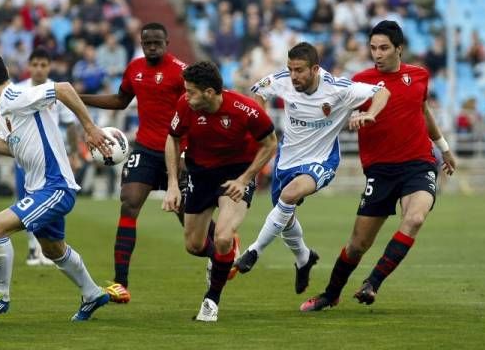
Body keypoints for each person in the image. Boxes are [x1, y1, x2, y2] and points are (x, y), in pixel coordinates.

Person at [0, 50, 118, 321]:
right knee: (52, 249)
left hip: (55, 187)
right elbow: (8, 146)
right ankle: (92, 294)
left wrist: (91, 128)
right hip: (39, 189)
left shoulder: (15, 97)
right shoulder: (6, 107)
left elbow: (64, 88)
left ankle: (0, 294)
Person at [300, 20, 456, 312]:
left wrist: (443, 148)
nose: (377, 54)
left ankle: (372, 283)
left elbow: (423, 111)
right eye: (373, 48)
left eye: (384, 48)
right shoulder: (360, 81)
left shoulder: (419, 75)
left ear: (399, 49)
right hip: (380, 171)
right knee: (358, 244)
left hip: (418, 164)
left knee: (415, 218)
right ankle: (331, 294)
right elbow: (334, 115)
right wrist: (353, 119)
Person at [80, 22, 224, 302]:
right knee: (129, 202)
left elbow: (198, 108)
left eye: (157, 42)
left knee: (189, 219)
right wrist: (78, 99)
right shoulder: (134, 69)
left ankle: (223, 252)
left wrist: (192, 148)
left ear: (167, 42)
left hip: (178, 151)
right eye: (147, 43)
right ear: (141, 43)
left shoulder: (181, 72)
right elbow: (121, 100)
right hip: (145, 149)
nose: (152, 47)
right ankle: (120, 283)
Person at [233, 42, 391, 296]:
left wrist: (370, 113)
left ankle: (254, 251)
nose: (293, 76)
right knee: (284, 217)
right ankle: (304, 258)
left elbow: (382, 92)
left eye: (299, 70)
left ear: (315, 69)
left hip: (321, 160)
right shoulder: (283, 80)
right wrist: (262, 125)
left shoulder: (339, 89)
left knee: (289, 196)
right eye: (290, 69)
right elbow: (259, 91)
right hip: (286, 159)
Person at [162, 61, 278, 322]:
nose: (186, 96)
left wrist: (245, 178)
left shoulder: (244, 109)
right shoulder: (185, 105)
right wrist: (172, 184)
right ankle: (224, 254)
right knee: (193, 245)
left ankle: (211, 301)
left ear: (210, 93)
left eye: (191, 91)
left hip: (235, 175)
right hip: (200, 174)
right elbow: (173, 137)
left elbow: (270, 144)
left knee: (223, 237)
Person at [15, 47, 81, 266]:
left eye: (43, 65)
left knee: (53, 203)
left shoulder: (57, 91)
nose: (39, 69)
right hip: (26, 160)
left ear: (49, 67)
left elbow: (70, 125)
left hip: (52, 161)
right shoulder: (18, 90)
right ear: (29, 66)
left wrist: (73, 153)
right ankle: (34, 249)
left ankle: (48, 248)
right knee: (25, 203)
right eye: (35, 64)